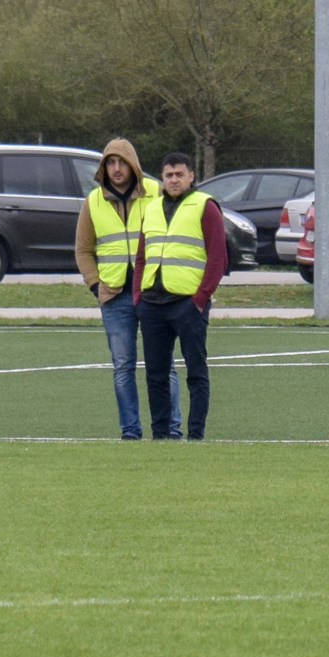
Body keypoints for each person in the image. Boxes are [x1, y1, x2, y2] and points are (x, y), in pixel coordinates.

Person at [75, 138, 180, 440]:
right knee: (122, 366)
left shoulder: (156, 192)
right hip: (114, 295)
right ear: (103, 167)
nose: (117, 168)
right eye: (111, 162)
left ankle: (171, 429)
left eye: (122, 162)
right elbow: (83, 250)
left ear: (133, 164)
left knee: (164, 365)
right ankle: (130, 431)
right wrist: (95, 284)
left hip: (153, 294)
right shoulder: (93, 201)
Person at [132, 152, 226, 440]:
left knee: (195, 373)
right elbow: (141, 257)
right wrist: (137, 297)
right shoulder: (152, 208)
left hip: (187, 304)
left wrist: (200, 298)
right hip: (152, 304)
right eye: (169, 175)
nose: (174, 180)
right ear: (162, 178)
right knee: (155, 376)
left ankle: (195, 435)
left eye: (179, 174)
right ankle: (160, 436)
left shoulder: (205, 206)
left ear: (191, 176)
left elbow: (218, 258)